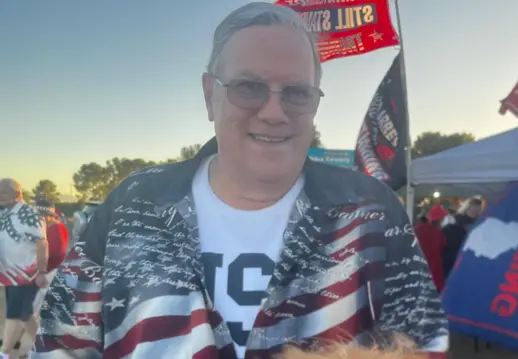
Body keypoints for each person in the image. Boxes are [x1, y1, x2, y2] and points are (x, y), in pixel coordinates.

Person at [33, 3, 448, 359]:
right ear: (208, 94)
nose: (273, 112)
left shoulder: (369, 211)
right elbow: (61, 342)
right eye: (249, 87)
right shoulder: (134, 204)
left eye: (297, 92)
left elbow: (424, 342)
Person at [0, 179, 49, 358]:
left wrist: (42, 272)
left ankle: (4, 353)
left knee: (15, 314)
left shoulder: (29, 214)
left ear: (17, 194)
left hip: (26, 275)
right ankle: (43, 346)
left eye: (3, 192)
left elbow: (42, 244)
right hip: (9, 275)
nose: (0, 195)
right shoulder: (5, 213)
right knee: (25, 314)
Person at [441, 197, 483, 279]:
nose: (475, 212)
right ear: (468, 208)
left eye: (477, 209)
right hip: (454, 254)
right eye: (473, 209)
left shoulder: (480, 223)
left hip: (470, 256)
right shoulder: (455, 220)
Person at [414, 206, 449, 293]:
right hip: (434, 265)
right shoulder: (438, 232)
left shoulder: (418, 228)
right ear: (440, 218)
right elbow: (442, 245)